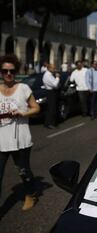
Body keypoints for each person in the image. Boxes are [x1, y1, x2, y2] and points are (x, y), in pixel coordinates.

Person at [0, 54, 40, 210]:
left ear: (16, 71)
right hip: (1, 140)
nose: (8, 74)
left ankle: (31, 194)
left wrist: (23, 113)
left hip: (20, 139)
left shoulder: (24, 88)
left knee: (23, 171)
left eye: (12, 71)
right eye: (4, 71)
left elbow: (36, 107)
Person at [42, 64, 60, 128]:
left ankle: (51, 122)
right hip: (50, 92)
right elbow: (55, 84)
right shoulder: (47, 75)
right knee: (51, 108)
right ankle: (50, 123)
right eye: (53, 68)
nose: (54, 70)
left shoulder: (49, 74)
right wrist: (57, 77)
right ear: (49, 68)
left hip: (52, 92)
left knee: (52, 108)